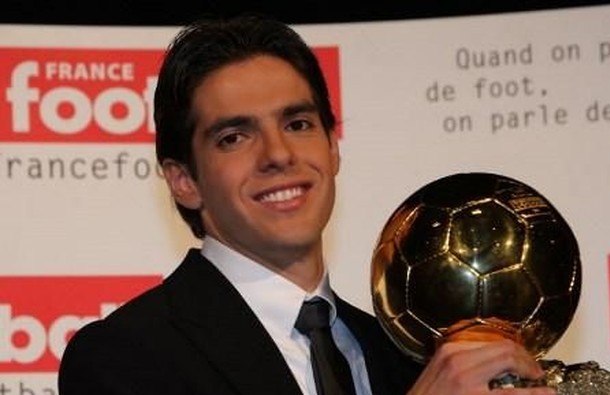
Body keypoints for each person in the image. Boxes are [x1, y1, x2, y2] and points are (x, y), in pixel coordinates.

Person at [58, 13, 554, 395]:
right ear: (184, 180)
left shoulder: (408, 356)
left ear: (333, 147)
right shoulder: (124, 358)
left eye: (298, 124)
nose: (278, 155)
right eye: (234, 137)